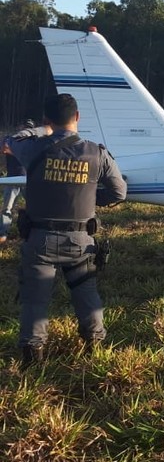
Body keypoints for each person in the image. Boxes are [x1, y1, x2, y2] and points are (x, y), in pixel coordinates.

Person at [6, 94, 127, 368]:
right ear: (78, 118)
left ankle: (32, 357)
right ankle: (94, 345)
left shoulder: (33, 149)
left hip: (39, 239)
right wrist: (92, 198)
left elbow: (11, 141)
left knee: (34, 299)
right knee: (86, 293)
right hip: (81, 241)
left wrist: (38, 131)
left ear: (48, 121)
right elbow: (120, 192)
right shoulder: (97, 153)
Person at [0, 118, 35, 243]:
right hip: (12, 178)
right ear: (19, 127)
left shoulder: (34, 141)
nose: (26, 129)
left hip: (28, 179)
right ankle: (2, 234)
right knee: (7, 208)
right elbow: (4, 149)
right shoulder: (10, 139)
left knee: (34, 208)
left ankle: (31, 233)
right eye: (24, 126)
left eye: (29, 127)